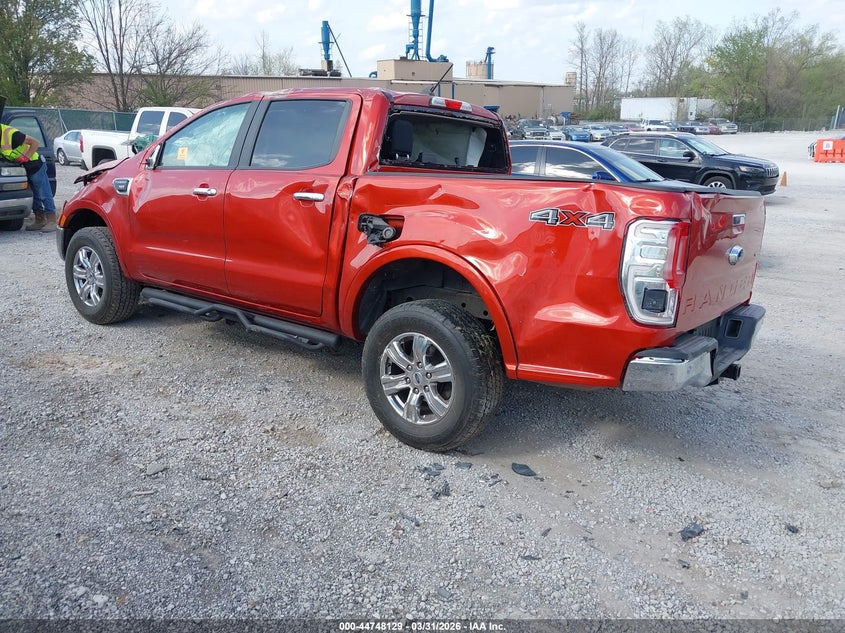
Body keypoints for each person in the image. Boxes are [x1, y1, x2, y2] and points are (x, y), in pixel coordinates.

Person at [0, 122, 56, 232]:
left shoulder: (11, 134)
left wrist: (26, 157)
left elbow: (35, 142)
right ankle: (40, 220)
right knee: (34, 195)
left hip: (34, 164)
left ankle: (52, 220)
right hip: (23, 168)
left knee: (43, 193)